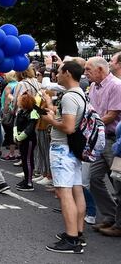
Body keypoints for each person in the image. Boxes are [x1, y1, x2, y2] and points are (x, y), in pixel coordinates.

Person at [36, 60, 86, 253]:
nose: (56, 74)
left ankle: (72, 239)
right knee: (76, 190)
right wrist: (52, 111)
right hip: (71, 149)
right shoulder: (78, 94)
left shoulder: (69, 97)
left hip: (62, 149)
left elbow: (68, 127)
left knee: (64, 192)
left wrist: (50, 121)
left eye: (59, 71)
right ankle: (77, 234)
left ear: (67, 73)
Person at [83, 57, 121, 237]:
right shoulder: (93, 86)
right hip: (101, 138)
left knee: (118, 183)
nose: (85, 73)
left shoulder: (116, 85)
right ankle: (110, 215)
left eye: (88, 69)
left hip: (113, 141)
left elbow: (112, 115)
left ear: (100, 69)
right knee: (94, 178)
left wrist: (91, 125)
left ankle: (118, 224)